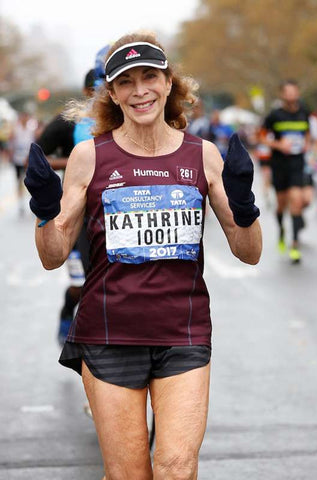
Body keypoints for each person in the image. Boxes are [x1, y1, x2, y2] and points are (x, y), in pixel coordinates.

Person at [24, 31, 262, 480]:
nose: (140, 91)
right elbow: (53, 256)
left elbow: (248, 252)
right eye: (126, 81)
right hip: (109, 333)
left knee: (175, 466)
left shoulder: (203, 155)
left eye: (149, 77)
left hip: (183, 331)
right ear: (111, 92)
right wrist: (44, 209)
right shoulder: (89, 156)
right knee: (129, 474)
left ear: (169, 82)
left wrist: (245, 207)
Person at [35, 68, 97, 345]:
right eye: (98, 88)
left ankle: (98, 336)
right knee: (79, 285)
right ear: (86, 92)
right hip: (74, 210)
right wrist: (76, 162)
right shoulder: (69, 122)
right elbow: (37, 157)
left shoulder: (126, 119)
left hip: (112, 212)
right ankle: (66, 313)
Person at [260, 79, 310, 263]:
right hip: (279, 165)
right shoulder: (275, 115)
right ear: (282, 94)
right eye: (287, 92)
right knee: (281, 205)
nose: (291, 95)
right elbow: (261, 135)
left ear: (297, 93)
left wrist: (306, 145)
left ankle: (295, 244)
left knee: (296, 201)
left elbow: (308, 133)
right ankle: (281, 229)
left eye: (293, 91)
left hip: (297, 164)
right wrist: (278, 144)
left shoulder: (304, 113)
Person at [8, 111, 36, 215]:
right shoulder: (16, 129)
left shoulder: (31, 129)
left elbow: (35, 141)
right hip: (18, 158)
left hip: (28, 158)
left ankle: (32, 202)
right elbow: (11, 143)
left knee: (30, 181)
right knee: (19, 180)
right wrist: (10, 155)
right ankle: (21, 204)